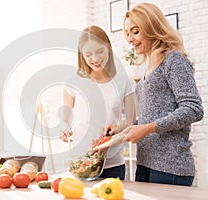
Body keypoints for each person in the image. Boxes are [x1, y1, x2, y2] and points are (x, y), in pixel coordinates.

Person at [93, 3, 204, 186]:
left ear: (152, 27)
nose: (130, 39)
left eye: (135, 32)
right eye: (127, 33)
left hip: (171, 167)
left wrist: (147, 128)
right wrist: (120, 130)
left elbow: (193, 109)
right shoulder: (148, 67)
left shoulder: (173, 59)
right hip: (145, 163)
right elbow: (149, 120)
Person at [60, 25, 136, 180]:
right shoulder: (73, 82)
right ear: (82, 55)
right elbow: (65, 118)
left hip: (113, 163)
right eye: (88, 54)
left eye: (100, 51)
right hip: (80, 160)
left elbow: (131, 123)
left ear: (108, 48)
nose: (94, 59)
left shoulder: (123, 81)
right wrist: (63, 128)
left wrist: (115, 130)